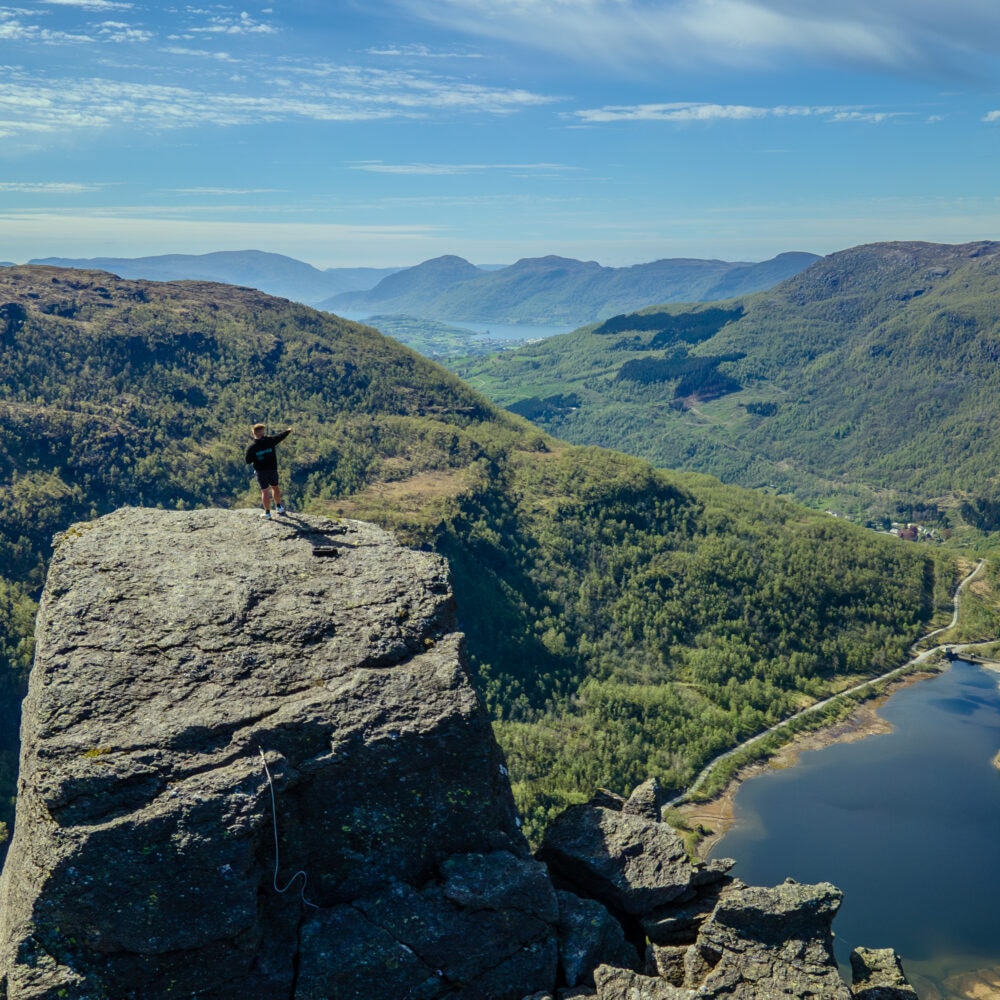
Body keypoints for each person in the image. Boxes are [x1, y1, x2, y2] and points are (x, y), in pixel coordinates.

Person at [245, 423, 292, 518]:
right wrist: (288, 431)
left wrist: (257, 456)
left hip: (261, 472)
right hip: (272, 469)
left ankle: (267, 513)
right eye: (263, 432)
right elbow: (280, 437)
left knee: (264, 491)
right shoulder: (270, 441)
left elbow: (248, 461)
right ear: (261, 432)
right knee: (275, 487)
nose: (264, 433)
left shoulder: (252, 447)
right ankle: (279, 507)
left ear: (254, 433)